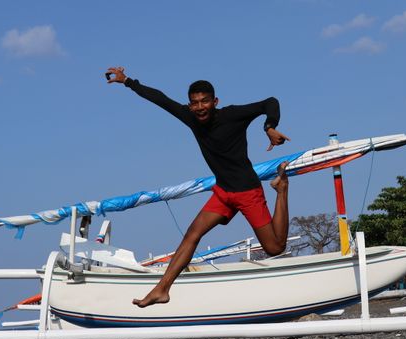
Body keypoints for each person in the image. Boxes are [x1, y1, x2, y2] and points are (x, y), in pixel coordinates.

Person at [106, 66, 291, 308]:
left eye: (205, 102)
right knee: (192, 234)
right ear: (190, 105)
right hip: (224, 192)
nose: (200, 107)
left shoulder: (232, 115)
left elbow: (270, 101)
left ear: (215, 101)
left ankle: (282, 189)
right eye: (195, 103)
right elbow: (160, 99)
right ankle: (162, 289)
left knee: (275, 248)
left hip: (247, 190)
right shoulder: (191, 118)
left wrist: (269, 126)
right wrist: (128, 81)